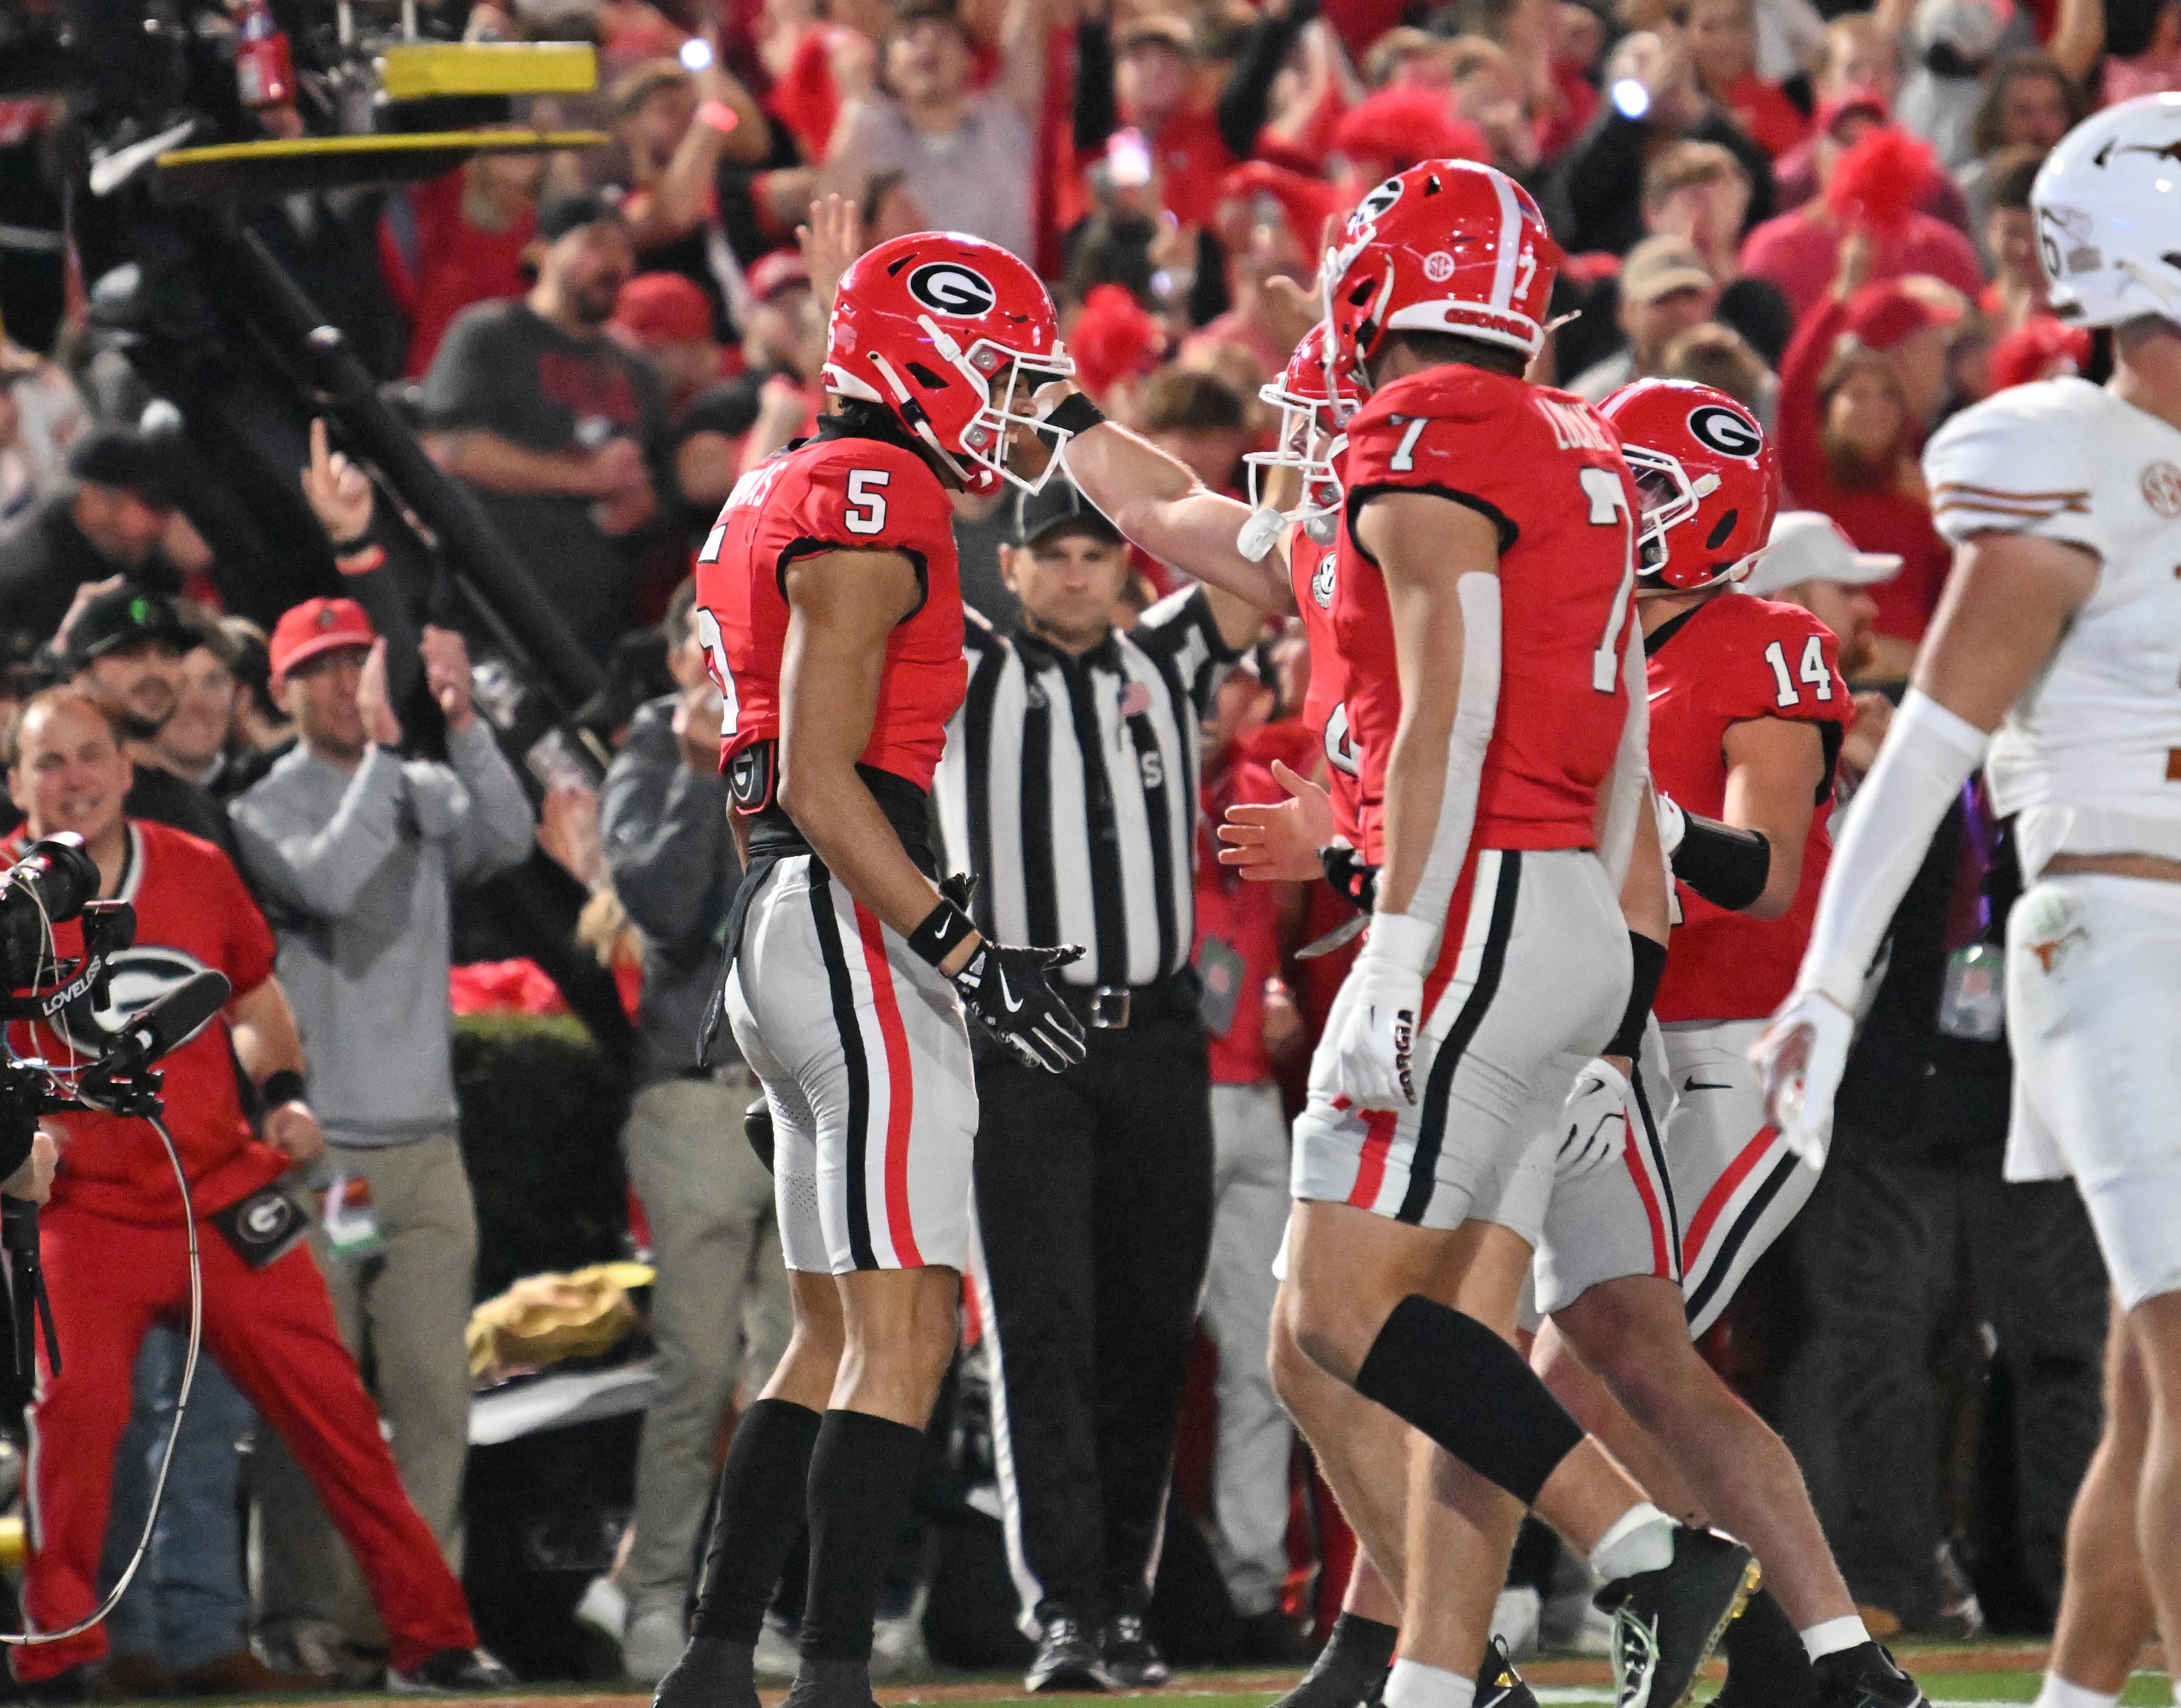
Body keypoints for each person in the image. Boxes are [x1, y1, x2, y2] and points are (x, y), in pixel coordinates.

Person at [1749, 95, 2181, 1708]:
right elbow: (1929, 743)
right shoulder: (2064, 454)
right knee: (2178, 1374)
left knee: (2146, 1386)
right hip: (2116, 940)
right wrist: (1830, 986)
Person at [650, 231, 1088, 1708]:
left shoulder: (781, 477)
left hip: (786, 912)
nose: (1013, 406)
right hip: (847, 906)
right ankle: (837, 1669)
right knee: (905, 1326)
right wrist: (962, 939)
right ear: (931, 354)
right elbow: (834, 777)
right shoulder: (873, 483)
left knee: (831, 1331)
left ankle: (717, 1657)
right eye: (1005, 372)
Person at [1, 688, 510, 1697]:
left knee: (339, 1419)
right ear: (15, 783)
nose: (74, 777)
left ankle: (432, 1636)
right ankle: (59, 1655)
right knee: (73, 1422)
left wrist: (280, 1090)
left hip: (216, 1193)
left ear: (125, 763)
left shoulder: (191, 869)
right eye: (48, 761)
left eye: (90, 753)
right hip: (81, 1209)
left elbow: (253, 997)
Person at [932, 473, 1259, 1691]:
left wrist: (1143, 478)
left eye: (1095, 552)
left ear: (1129, 568)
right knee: (1041, 1328)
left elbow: (1268, 569)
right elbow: (884, 575)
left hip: (1159, 1035)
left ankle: (1124, 1602)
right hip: (1026, 1039)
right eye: (1049, 554)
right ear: (1007, 570)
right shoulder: (969, 662)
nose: (1074, 572)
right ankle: (1066, 1606)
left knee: (1147, 1334)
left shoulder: (1168, 657)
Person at [229, 579, 532, 1667]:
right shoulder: (262, 808)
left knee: (435, 1397)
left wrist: (461, 725)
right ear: (284, 690)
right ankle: (297, 1618)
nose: (345, 683)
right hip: (328, 1157)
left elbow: (507, 829)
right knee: (322, 1402)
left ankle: (419, 1625)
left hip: (425, 1145)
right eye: (319, 669)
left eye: (354, 660)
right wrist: (392, 770)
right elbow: (332, 884)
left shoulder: (403, 778)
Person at [601, 579, 789, 1682]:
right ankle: (654, 1597)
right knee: (696, 1365)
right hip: (696, 1088)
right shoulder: (644, 757)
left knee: (786, 1373)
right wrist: (691, 771)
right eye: (708, 641)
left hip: (792, 1089)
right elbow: (666, 906)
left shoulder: (793, 734)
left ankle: (736, 1602)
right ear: (678, 656)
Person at [421, 191, 674, 656]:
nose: (616, 264)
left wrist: (643, 503)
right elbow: (449, 448)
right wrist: (584, 478)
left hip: (598, 629)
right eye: (596, 244)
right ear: (541, 252)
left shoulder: (637, 371)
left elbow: (662, 484)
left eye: (625, 249)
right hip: (493, 616)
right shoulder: (490, 333)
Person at [818, 0, 1048, 262]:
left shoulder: (1005, 122)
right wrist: (855, 103)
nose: (927, 43)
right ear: (887, 68)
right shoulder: (871, 137)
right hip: (911, 299)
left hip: (1011, 297)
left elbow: (1026, 31)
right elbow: (829, 226)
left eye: (942, 34)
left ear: (970, 59)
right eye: (909, 36)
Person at [59, 581, 245, 865]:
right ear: (80, 676)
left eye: (168, 653)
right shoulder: (65, 795)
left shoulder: (197, 803)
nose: (155, 671)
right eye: (130, 654)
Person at [0, 428, 185, 673]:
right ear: (95, 499)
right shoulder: (22, 577)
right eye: (153, 503)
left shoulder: (138, 552)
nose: (163, 522)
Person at [1565, 235, 1724, 403]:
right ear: (1626, 313)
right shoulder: (1594, 402)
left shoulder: (1740, 386)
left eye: (1691, 296)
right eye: (1664, 298)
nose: (1682, 312)